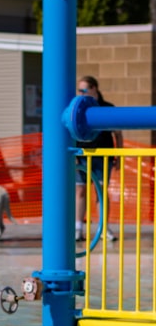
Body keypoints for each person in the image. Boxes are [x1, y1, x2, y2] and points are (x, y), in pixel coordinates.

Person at [74, 75, 122, 242]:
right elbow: (70, 131)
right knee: (80, 191)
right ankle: (78, 228)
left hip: (103, 155)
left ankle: (103, 227)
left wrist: (119, 156)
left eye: (84, 89)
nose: (81, 93)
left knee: (101, 192)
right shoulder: (77, 108)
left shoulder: (107, 107)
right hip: (82, 156)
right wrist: (73, 155)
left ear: (95, 89)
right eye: (79, 90)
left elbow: (118, 133)